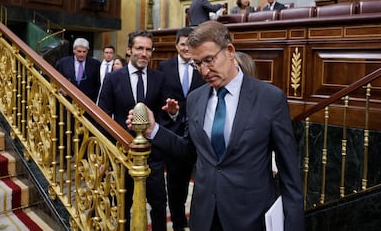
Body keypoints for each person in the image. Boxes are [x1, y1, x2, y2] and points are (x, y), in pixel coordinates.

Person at [126, 21, 304, 231]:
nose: (204, 70)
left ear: (229, 51)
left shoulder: (270, 99)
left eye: (209, 60)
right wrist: (154, 130)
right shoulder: (195, 99)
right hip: (204, 217)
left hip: (251, 218)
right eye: (197, 63)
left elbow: (290, 177)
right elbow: (190, 151)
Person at [97, 30, 175, 231]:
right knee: (123, 204)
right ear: (129, 50)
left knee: (158, 204)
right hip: (123, 154)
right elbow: (104, 117)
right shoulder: (113, 79)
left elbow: (166, 115)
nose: (145, 53)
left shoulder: (160, 78)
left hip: (152, 155)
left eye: (149, 49)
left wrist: (173, 113)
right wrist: (107, 155)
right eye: (140, 48)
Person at [157, 27, 205, 231]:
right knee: (176, 184)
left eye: (190, 44)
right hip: (174, 133)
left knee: (200, 183)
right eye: (183, 44)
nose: (186, 48)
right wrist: (171, 113)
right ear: (176, 45)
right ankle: (177, 222)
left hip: (199, 134)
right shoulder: (164, 67)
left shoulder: (202, 65)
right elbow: (160, 98)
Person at [55, 38, 101, 102]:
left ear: (87, 51)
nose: (82, 54)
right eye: (79, 51)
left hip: (88, 104)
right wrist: (61, 89)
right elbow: (56, 81)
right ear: (74, 50)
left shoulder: (95, 64)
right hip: (67, 103)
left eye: (84, 51)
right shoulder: (63, 63)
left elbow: (98, 85)